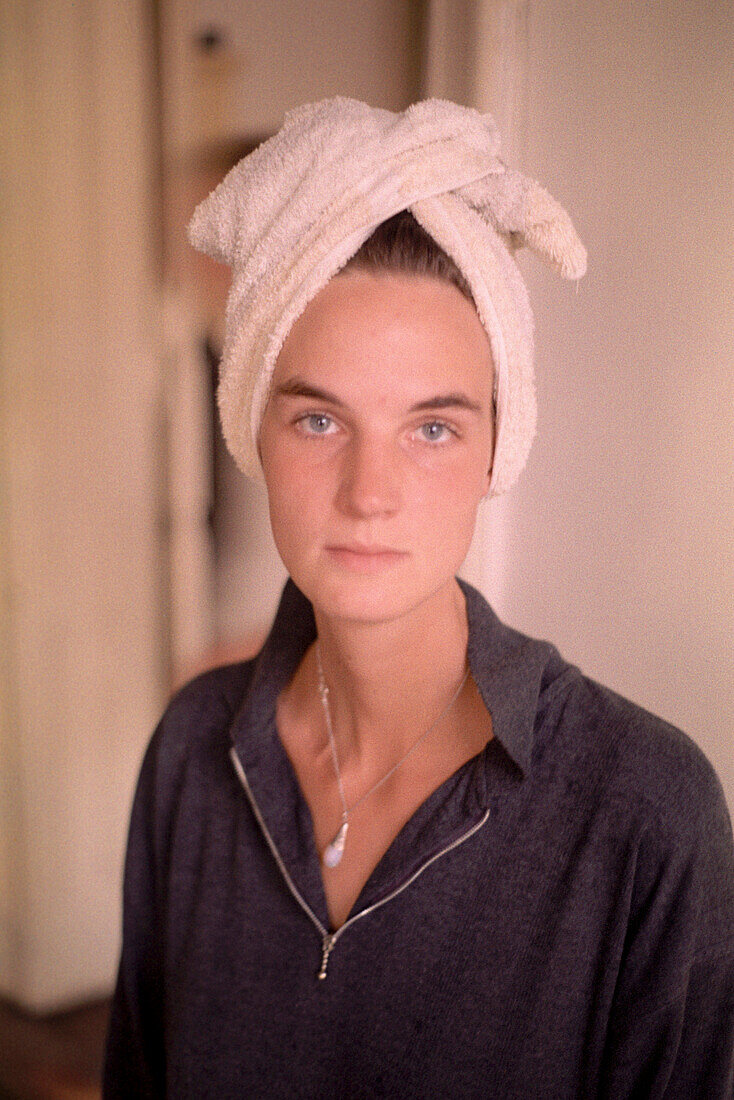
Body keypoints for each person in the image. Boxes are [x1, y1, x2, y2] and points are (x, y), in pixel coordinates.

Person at [104, 98, 734, 1098]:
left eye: (431, 427)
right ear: (252, 431)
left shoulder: (645, 812)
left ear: (496, 445)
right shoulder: (190, 751)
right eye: (318, 418)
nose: (369, 491)